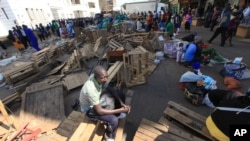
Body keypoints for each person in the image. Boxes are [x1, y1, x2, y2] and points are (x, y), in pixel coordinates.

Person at [79, 65, 131, 141]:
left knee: (120, 95)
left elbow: (110, 88)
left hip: (96, 100)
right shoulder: (91, 89)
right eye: (103, 78)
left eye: (106, 76)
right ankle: (109, 136)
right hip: (89, 110)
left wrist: (121, 103)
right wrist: (121, 110)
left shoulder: (98, 78)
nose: (106, 79)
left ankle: (117, 114)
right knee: (113, 120)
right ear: (96, 77)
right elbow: (99, 111)